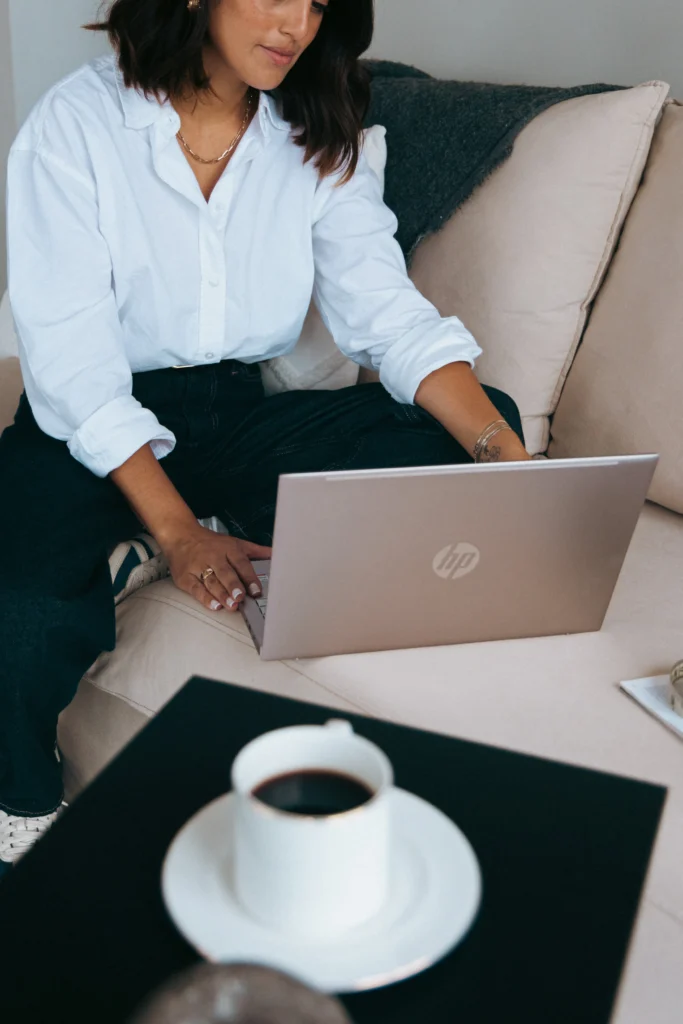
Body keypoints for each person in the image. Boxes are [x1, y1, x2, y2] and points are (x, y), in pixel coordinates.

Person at [0, 0, 529, 875]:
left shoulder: (321, 127)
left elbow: (385, 316)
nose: (296, 23)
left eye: (319, 3)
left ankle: (202, 514)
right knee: (16, 598)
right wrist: (178, 534)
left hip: (238, 414)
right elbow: (72, 365)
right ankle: (20, 797)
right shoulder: (75, 125)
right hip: (89, 419)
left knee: (480, 423)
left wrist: (508, 463)